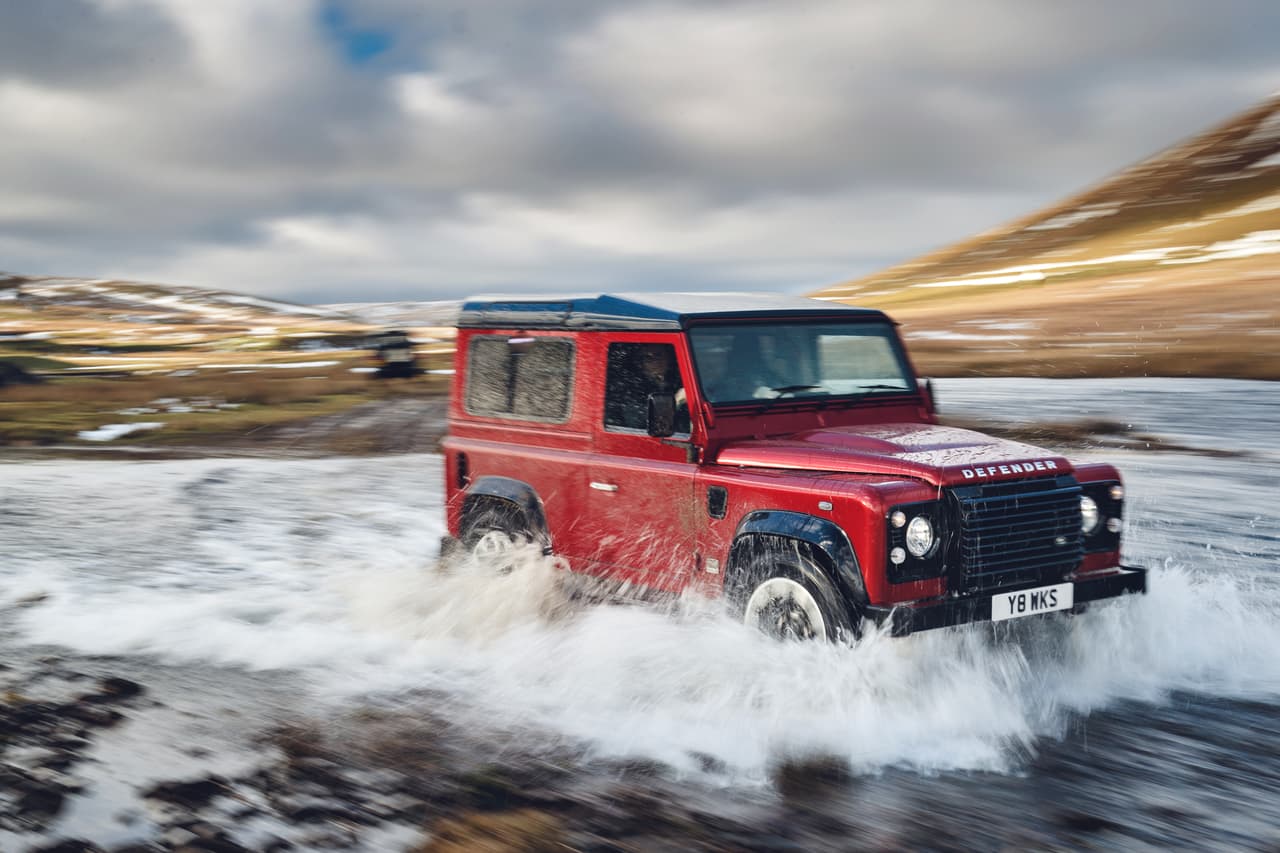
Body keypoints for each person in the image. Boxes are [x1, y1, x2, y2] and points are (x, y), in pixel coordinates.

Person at [605, 343, 688, 432]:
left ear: (668, 358)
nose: (655, 361)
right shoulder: (633, 387)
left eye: (659, 355)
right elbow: (641, 423)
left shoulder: (679, 379)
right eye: (648, 358)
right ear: (641, 363)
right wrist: (677, 401)